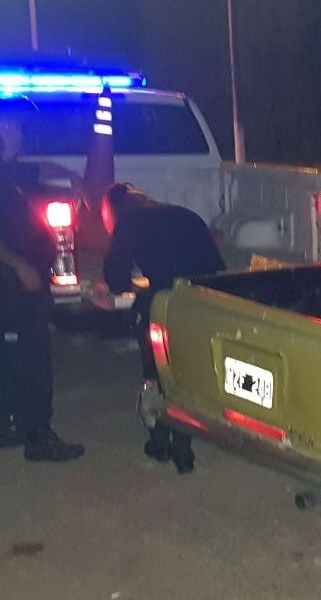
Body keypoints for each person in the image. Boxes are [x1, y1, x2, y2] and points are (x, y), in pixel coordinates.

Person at [0, 94, 85, 462]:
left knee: (7, 354)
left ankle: (9, 424)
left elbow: (37, 169)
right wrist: (20, 266)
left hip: (7, 282)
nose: (22, 133)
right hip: (7, 283)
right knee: (31, 357)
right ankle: (39, 435)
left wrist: (71, 177)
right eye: (17, 126)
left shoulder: (0, 167)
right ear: (0, 127)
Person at [97, 183, 226, 473]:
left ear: (113, 211)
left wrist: (129, 288)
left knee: (155, 371)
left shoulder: (128, 223)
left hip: (165, 305)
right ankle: (183, 448)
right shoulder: (186, 215)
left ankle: (160, 441)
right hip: (201, 305)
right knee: (185, 374)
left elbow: (116, 279)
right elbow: (217, 267)